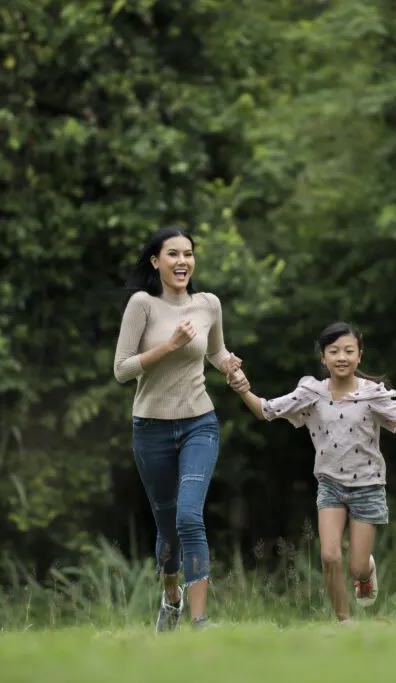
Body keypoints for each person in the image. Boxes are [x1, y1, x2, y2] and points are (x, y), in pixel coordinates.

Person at [227, 321, 396, 623]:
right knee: (329, 555)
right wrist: (244, 390)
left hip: (369, 486)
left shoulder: (372, 395)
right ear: (323, 357)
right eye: (334, 351)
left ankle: (365, 572)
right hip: (330, 485)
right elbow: (266, 410)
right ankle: (344, 621)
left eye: (349, 351)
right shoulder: (311, 394)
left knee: (355, 568)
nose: (342, 357)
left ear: (359, 356)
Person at [113, 225, 245, 632]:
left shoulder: (208, 304)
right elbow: (121, 370)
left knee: (190, 516)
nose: (182, 261)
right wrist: (167, 346)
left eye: (188, 253)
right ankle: (172, 598)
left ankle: (201, 620)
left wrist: (229, 365)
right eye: (172, 254)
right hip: (150, 428)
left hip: (198, 423)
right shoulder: (143, 305)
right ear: (156, 261)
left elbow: (215, 350)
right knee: (168, 531)